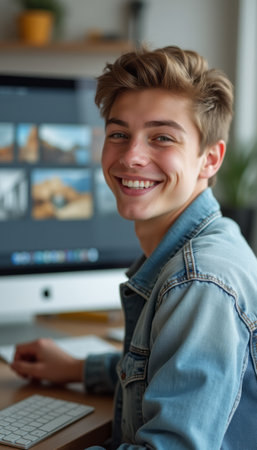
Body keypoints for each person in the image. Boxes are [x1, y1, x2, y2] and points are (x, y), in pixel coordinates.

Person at [11, 46, 257, 450]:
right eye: (119, 134)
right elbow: (167, 367)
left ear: (210, 159)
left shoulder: (197, 282)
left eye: (162, 137)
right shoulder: (210, 240)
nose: (131, 156)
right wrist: (78, 368)